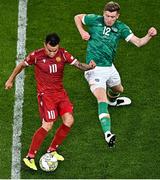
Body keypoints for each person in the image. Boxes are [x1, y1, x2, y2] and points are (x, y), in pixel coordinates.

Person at [5, 33, 96, 170]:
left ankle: (52, 149)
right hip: (45, 95)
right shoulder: (36, 56)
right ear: (44, 44)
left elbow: (78, 64)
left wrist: (89, 67)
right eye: (49, 50)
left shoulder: (63, 54)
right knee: (47, 125)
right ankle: (30, 157)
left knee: (69, 121)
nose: (52, 53)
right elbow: (21, 66)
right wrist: (10, 79)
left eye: (54, 50)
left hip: (60, 94)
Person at [74, 1, 157, 147]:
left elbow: (138, 42)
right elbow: (77, 17)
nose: (109, 19)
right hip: (93, 70)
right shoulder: (95, 19)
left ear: (117, 16)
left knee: (118, 90)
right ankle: (108, 133)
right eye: (107, 16)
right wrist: (82, 31)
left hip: (109, 67)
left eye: (112, 17)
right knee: (101, 99)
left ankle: (113, 101)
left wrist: (149, 35)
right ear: (103, 13)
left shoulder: (121, 28)